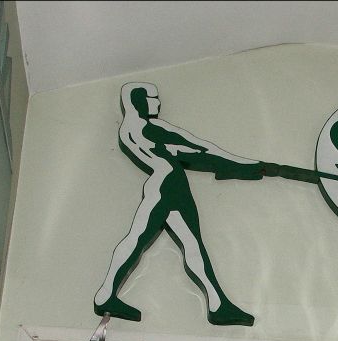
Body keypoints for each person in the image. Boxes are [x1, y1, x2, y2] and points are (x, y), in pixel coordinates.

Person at [94, 82, 264, 326]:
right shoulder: (148, 128)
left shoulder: (131, 128)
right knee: (145, 239)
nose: (157, 102)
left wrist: (236, 166)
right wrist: (242, 164)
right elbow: (198, 148)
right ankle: (106, 295)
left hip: (169, 185)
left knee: (187, 244)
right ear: (138, 100)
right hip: (168, 185)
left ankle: (217, 304)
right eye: (152, 98)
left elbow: (194, 150)